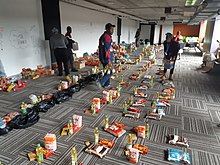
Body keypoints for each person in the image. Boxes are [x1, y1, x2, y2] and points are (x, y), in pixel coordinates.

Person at [97, 23, 115, 88]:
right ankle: (101, 82)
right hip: (106, 57)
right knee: (110, 72)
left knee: (107, 71)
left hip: (102, 56)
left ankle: (106, 84)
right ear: (107, 29)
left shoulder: (103, 36)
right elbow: (107, 49)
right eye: (111, 29)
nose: (112, 31)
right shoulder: (107, 37)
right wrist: (109, 60)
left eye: (113, 29)